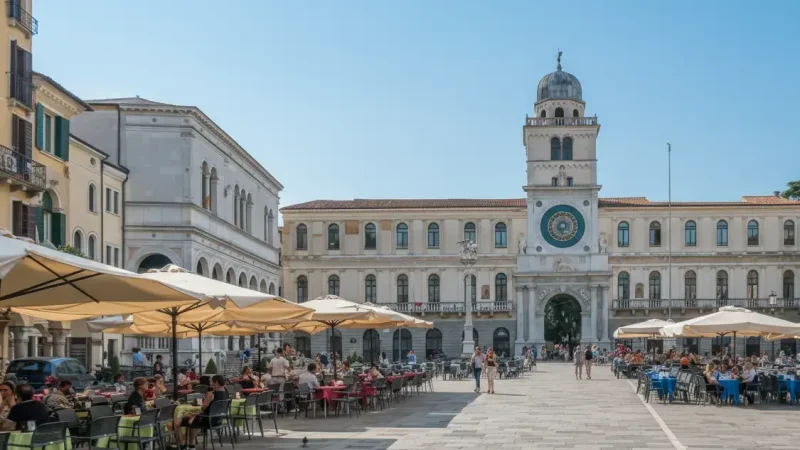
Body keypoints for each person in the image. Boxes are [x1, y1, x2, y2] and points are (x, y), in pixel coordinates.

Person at [176, 375, 228, 448]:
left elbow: (203, 408)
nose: (212, 384)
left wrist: (195, 414)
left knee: (178, 422)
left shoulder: (211, 394)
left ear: (216, 382)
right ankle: (191, 445)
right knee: (193, 420)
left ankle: (182, 445)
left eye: (213, 382)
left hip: (207, 420)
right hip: (218, 420)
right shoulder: (226, 394)